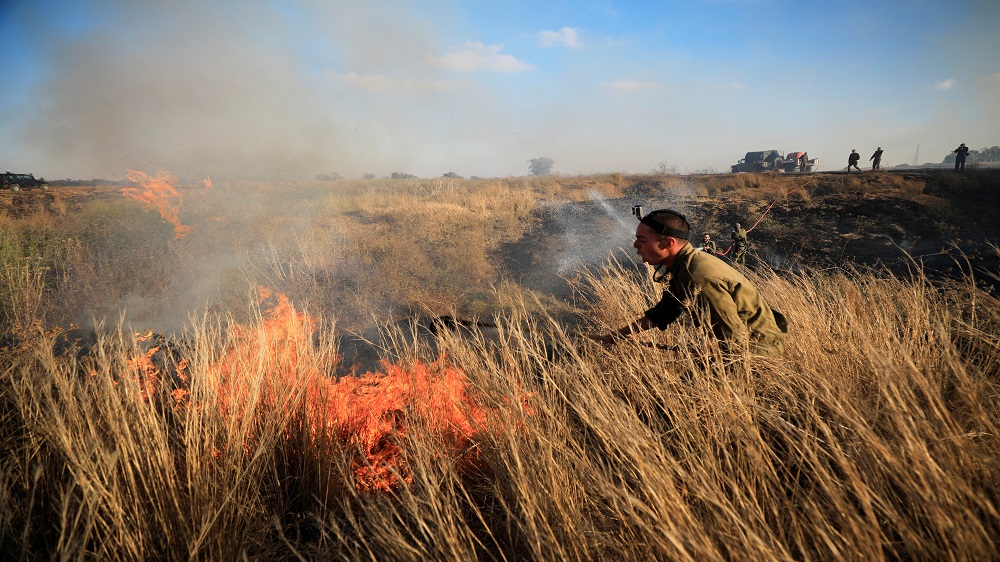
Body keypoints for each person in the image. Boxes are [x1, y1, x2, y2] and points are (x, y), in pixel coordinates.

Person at [590, 209, 788, 356]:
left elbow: (733, 340)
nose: (635, 245)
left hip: (756, 355)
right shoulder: (686, 266)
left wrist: (711, 357)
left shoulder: (697, 277)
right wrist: (620, 334)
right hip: (747, 348)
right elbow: (666, 311)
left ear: (668, 243)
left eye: (641, 240)